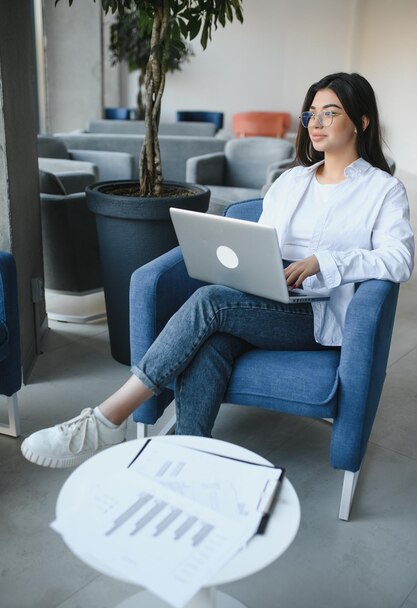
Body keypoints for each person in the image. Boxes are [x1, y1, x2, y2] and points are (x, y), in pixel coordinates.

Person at [21, 72, 414, 469]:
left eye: (330, 113)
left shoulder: (383, 190)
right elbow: (260, 241)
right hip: (269, 298)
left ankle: (107, 418)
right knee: (211, 342)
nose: (315, 123)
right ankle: (189, 460)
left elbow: (400, 258)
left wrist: (325, 262)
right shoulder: (292, 180)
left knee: (211, 303)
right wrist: (242, 262)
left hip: (320, 313)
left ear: (362, 121)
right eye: (311, 113)